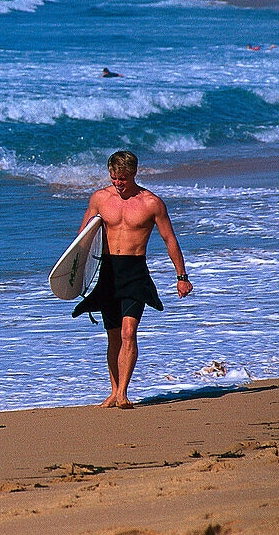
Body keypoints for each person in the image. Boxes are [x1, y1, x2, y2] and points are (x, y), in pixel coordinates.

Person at [74, 151, 192, 409]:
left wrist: (181, 276)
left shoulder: (152, 203)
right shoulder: (100, 199)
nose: (118, 183)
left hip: (135, 272)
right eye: (114, 178)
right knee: (113, 335)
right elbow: (82, 238)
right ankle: (114, 391)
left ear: (134, 173)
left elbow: (169, 240)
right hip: (108, 272)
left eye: (123, 179)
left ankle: (123, 393)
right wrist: (75, 276)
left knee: (129, 332)